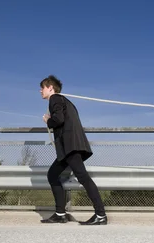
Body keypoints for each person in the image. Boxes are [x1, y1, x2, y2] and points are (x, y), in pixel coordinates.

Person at [39, 75, 107, 225]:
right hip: (68, 147)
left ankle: (101, 215)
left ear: (50, 88)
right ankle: (60, 213)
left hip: (70, 146)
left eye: (42, 88)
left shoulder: (55, 98)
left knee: (83, 177)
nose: (40, 91)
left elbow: (59, 120)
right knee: (53, 174)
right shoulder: (66, 101)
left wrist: (48, 121)